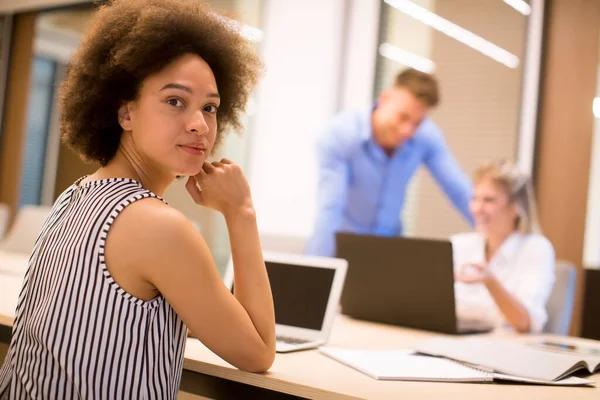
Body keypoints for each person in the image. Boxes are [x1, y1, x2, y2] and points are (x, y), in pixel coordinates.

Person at [0, 0, 275, 398]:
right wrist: (241, 211)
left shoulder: (75, 196)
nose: (199, 124)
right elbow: (259, 352)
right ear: (125, 113)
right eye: (175, 101)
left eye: (210, 107)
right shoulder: (159, 226)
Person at [305, 68, 474, 257]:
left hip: (390, 249)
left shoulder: (426, 137)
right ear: (384, 99)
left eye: (417, 123)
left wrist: (504, 233)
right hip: (344, 248)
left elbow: (459, 191)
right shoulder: (340, 134)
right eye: (403, 117)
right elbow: (331, 207)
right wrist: (318, 269)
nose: (407, 131)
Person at [452, 160, 555, 333]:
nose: (477, 208)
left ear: (516, 207)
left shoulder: (536, 249)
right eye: (475, 199)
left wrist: (490, 282)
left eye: (489, 200)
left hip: (507, 347)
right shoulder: (459, 244)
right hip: (458, 339)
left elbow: (524, 323)